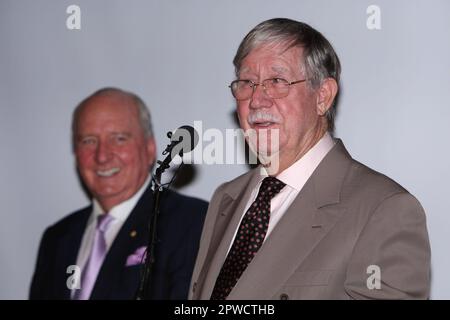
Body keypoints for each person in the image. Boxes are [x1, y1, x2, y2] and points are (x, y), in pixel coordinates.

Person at [189, 18, 430, 300]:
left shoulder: (383, 210)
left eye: (277, 81)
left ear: (323, 96)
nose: (256, 100)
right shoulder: (225, 198)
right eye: (247, 83)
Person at [30, 87, 208, 300]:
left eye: (119, 138)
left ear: (150, 148)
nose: (102, 155)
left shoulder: (191, 222)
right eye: (88, 140)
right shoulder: (58, 238)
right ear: (75, 152)